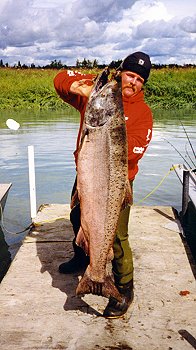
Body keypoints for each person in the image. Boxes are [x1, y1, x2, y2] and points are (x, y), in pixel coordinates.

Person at [54, 51, 153, 318]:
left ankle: (123, 288)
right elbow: (60, 80)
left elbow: (133, 152)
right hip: (87, 175)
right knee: (77, 215)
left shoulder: (143, 112)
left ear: (143, 83)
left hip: (117, 182)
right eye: (130, 74)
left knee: (118, 238)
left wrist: (110, 129)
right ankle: (81, 257)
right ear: (121, 73)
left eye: (139, 79)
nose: (132, 82)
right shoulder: (101, 96)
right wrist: (83, 90)